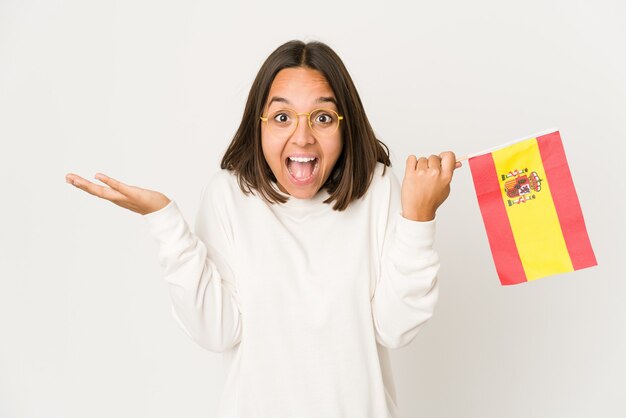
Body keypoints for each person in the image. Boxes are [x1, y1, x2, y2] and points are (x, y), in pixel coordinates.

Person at [65, 39, 461, 418]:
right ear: (259, 124)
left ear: (345, 125)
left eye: (322, 117)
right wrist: (165, 220)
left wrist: (418, 218)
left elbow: (396, 328)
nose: (302, 136)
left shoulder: (377, 189)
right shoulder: (229, 196)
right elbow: (215, 331)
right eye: (282, 117)